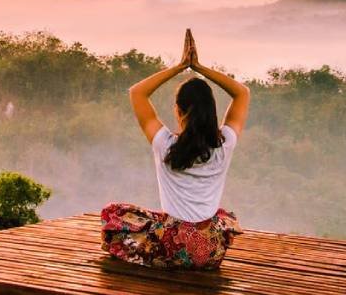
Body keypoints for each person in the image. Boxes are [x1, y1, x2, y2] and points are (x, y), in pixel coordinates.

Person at [100, 29, 250, 270]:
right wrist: (199, 67)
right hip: (209, 253)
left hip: (171, 248)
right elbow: (242, 93)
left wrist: (180, 66)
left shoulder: (165, 144)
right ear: (212, 112)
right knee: (220, 216)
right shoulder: (225, 144)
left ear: (178, 111)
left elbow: (137, 92)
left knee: (112, 213)